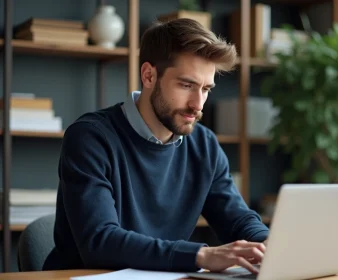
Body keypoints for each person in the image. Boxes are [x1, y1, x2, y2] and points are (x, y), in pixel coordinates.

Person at [43, 18, 269, 274]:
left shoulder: (204, 145)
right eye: (186, 85)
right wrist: (200, 255)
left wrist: (266, 243)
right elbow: (100, 241)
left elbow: (237, 219)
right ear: (149, 75)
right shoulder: (90, 138)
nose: (198, 104)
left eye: (206, 89)